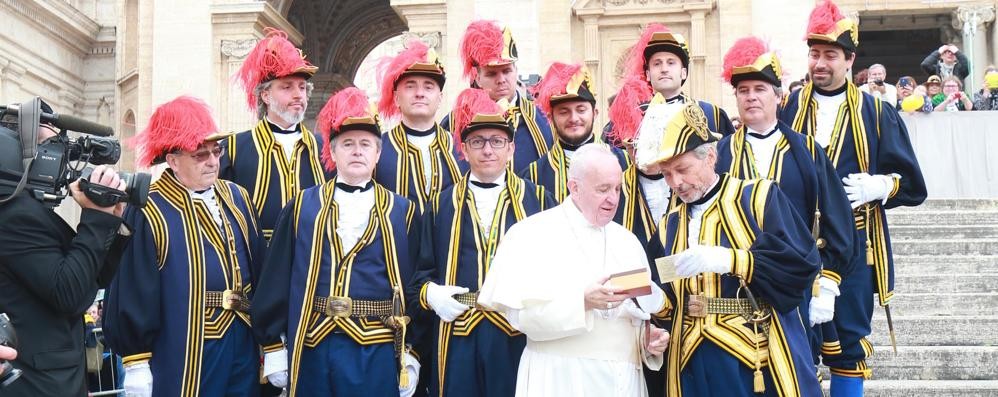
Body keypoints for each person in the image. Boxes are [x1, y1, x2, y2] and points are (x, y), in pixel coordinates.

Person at [780, 2, 927, 395]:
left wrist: (881, 186)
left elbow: (913, 186)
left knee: (848, 348)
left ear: (850, 60)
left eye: (830, 55)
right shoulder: (789, 107)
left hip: (856, 251)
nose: (820, 63)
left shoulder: (877, 113)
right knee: (794, 346)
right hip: (797, 245)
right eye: (814, 54)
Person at [641, 102, 822, 397]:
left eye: (682, 169)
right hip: (688, 359)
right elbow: (668, 299)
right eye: (666, 174)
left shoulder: (759, 197)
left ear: (710, 156)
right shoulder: (667, 227)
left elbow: (802, 263)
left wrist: (732, 260)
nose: (676, 182)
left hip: (752, 356)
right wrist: (652, 301)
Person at [251, 87, 422, 397]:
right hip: (314, 345)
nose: (357, 151)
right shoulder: (302, 206)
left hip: (377, 348)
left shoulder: (403, 211)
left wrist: (412, 350)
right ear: (331, 152)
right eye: (348, 144)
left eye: (365, 144)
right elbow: (275, 279)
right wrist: (274, 346)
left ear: (378, 154)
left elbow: (412, 283)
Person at [716, 36, 857, 384]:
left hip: (797, 286)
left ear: (779, 96)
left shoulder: (807, 151)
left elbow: (836, 219)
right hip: (736, 287)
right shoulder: (718, 154)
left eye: (760, 89)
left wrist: (829, 280)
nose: (751, 97)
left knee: (798, 375)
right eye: (743, 90)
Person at [102, 96, 265, 397]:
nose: (213, 161)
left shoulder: (238, 197)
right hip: (184, 346)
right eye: (200, 155)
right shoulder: (149, 206)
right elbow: (134, 288)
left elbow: (260, 268)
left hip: (242, 338)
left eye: (216, 151)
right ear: (173, 160)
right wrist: (136, 362)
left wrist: (272, 340)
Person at [478, 143, 670, 397]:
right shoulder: (531, 234)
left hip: (624, 384)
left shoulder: (628, 242)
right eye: (602, 189)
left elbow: (632, 316)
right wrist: (582, 303)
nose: (613, 198)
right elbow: (519, 318)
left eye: (617, 189)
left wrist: (646, 341)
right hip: (560, 378)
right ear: (574, 188)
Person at [411, 88, 555, 397]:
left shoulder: (539, 200)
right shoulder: (440, 205)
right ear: (463, 149)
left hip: (518, 334)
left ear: (511, 148)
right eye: (478, 142)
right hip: (457, 335)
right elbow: (419, 276)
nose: (488, 150)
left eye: (497, 141)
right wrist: (431, 294)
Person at [0, 99, 130, 397]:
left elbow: (90, 281)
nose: (59, 154)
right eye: (49, 145)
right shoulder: (13, 215)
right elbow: (69, 294)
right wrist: (95, 219)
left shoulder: (28, 209)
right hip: (35, 385)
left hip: (59, 380)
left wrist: (112, 220)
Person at [521, 62, 656, 244]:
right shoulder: (533, 176)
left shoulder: (626, 164)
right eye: (564, 112)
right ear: (551, 118)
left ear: (595, 112)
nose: (574, 118)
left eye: (581, 110)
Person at [222, 28, 332, 241]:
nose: (298, 95)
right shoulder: (234, 148)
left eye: (302, 87)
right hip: (259, 262)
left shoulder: (324, 148)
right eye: (287, 87)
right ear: (265, 95)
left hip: (312, 258)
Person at [441, 20, 555, 171]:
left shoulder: (542, 118)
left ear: (516, 70)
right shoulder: (454, 122)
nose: (501, 80)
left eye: (507, 71)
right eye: (492, 74)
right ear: (477, 77)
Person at [375, 39, 465, 207]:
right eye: (410, 86)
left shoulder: (460, 148)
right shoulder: (377, 150)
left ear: (440, 98)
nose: (419, 93)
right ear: (396, 98)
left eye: (428, 87)